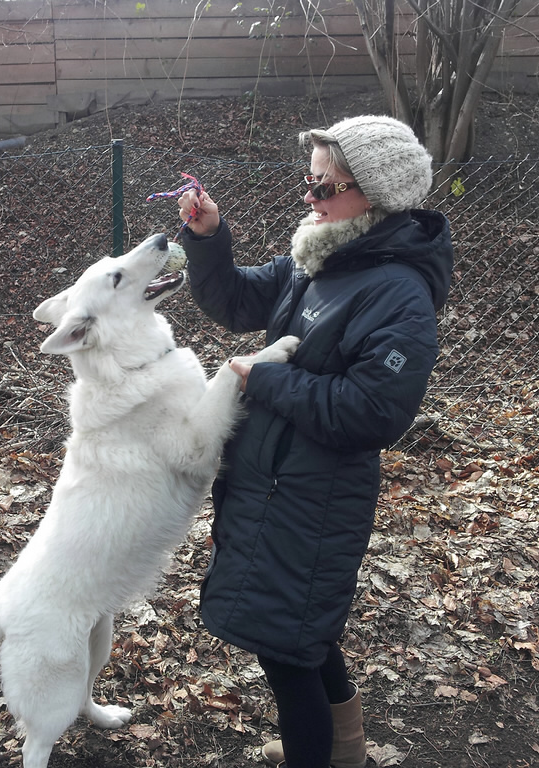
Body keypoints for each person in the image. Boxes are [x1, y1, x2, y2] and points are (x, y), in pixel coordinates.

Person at [175, 115, 454, 768]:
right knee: (304, 634)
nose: (310, 196)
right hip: (275, 487)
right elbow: (237, 302)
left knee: (287, 652)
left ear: (373, 195)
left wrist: (267, 379)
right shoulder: (320, 256)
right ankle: (346, 750)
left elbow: (374, 413)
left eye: (324, 186)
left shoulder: (398, 294)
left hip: (314, 500)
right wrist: (209, 238)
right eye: (310, 181)